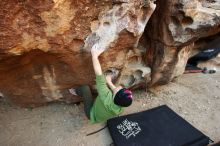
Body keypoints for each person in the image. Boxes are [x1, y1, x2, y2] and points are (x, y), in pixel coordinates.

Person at [70, 44, 133, 123]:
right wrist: (109, 82)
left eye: (120, 90)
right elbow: (116, 93)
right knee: (106, 94)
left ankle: (76, 92)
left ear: (114, 96)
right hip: (100, 116)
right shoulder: (120, 108)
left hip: (91, 113)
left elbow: (99, 74)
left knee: (85, 88)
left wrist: (94, 55)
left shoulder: (105, 96)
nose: (120, 87)